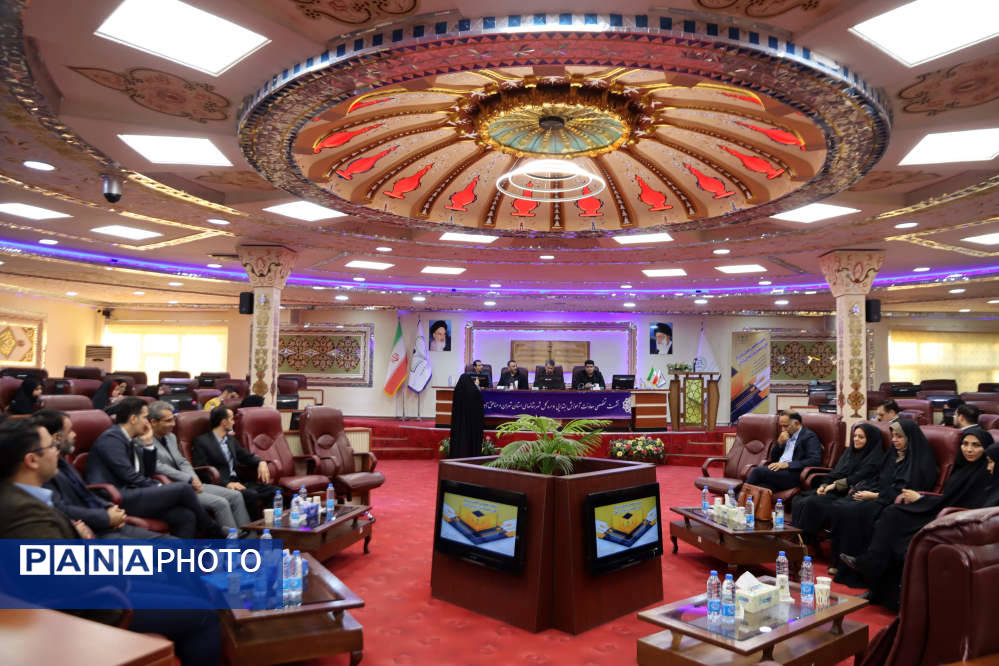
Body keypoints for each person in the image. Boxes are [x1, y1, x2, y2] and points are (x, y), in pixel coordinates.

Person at [0, 419, 222, 666]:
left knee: (180, 587)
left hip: (94, 586)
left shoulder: (22, 497)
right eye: (51, 446)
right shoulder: (23, 511)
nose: (56, 450)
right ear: (32, 460)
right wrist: (118, 566)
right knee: (203, 613)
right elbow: (61, 581)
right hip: (87, 607)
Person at [841, 428, 994, 609]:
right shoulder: (961, 467)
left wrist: (922, 499)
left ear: (986, 449)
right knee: (892, 513)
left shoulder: (987, 473)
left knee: (901, 542)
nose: (968, 449)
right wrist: (922, 498)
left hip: (956, 521)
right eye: (965, 444)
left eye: (976, 445)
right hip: (941, 511)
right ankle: (873, 576)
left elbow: (970, 506)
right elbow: (947, 498)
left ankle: (884, 587)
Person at [85, 397, 225, 538]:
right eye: (145, 417)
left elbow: (148, 471)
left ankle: (184, 552)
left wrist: (148, 444)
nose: (147, 422)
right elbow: (128, 475)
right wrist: (159, 487)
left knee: (185, 516)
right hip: (116, 497)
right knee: (183, 488)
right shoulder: (112, 439)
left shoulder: (130, 438)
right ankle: (214, 530)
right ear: (133, 419)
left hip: (134, 493)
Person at [828, 418, 937, 587]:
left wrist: (874, 496)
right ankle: (839, 564)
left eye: (899, 437)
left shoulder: (920, 460)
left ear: (909, 438)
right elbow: (879, 477)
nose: (894, 440)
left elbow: (907, 490)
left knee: (854, 512)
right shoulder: (893, 454)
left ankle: (859, 572)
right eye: (893, 436)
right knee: (840, 506)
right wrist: (865, 489)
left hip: (896, 503)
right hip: (880, 495)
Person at [33, 410, 170, 540]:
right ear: (57, 438)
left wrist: (109, 508)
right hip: (92, 531)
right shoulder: (42, 472)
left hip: (105, 521)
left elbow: (85, 493)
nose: (74, 434)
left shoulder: (62, 462)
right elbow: (62, 510)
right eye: (69, 431)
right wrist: (106, 517)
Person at [146, 401, 251, 531]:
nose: (173, 424)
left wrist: (194, 478)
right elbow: (158, 466)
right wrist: (189, 479)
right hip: (172, 488)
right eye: (168, 421)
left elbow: (182, 462)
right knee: (221, 503)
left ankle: (249, 539)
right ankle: (233, 540)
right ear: (153, 422)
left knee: (236, 496)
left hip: (190, 483)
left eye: (173, 419)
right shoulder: (144, 441)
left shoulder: (171, 437)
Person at [790, 422, 884, 556]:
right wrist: (823, 486)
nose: (856, 439)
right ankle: (802, 541)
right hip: (834, 490)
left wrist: (834, 485)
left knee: (812, 502)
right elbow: (835, 472)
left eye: (861, 437)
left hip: (848, 494)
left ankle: (807, 544)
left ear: (870, 440)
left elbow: (858, 477)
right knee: (799, 499)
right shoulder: (849, 452)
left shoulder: (875, 458)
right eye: (855, 436)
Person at [192, 406, 278, 520]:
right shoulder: (201, 441)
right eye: (232, 419)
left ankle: (269, 523)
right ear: (224, 422)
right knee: (250, 495)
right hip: (220, 485)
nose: (234, 422)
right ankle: (253, 527)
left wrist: (261, 462)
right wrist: (226, 484)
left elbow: (246, 456)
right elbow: (202, 471)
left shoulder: (230, 440)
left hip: (238, 481)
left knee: (275, 491)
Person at [744, 412, 822, 492]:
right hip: (780, 472)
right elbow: (774, 458)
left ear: (796, 423)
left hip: (794, 473)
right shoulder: (786, 435)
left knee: (757, 471)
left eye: (785, 426)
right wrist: (779, 444)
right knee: (761, 488)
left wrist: (787, 465)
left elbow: (814, 460)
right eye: (781, 426)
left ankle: (740, 497)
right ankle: (741, 498)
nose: (782, 430)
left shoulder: (809, 436)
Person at [449, 373, 484, 458]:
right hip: (471, 424)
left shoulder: (457, 390)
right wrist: (477, 386)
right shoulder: (474, 391)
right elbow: (480, 403)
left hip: (459, 423)